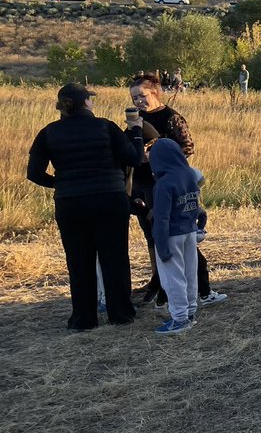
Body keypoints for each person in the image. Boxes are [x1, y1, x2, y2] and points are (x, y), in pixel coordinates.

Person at [26, 83, 142, 330]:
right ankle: (121, 314)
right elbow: (133, 158)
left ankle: (83, 319)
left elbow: (34, 173)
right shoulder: (106, 126)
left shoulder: (49, 132)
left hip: (71, 203)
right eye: (90, 99)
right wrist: (136, 132)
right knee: (114, 257)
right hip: (109, 198)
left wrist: (61, 183)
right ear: (86, 103)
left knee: (79, 261)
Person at [128, 73, 227, 307]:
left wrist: (157, 159)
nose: (137, 102)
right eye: (134, 98)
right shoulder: (136, 119)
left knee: (178, 235)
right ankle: (160, 281)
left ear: (155, 92)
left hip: (165, 185)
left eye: (141, 96)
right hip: (141, 183)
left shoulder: (171, 118)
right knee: (152, 236)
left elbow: (187, 147)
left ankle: (202, 288)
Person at [148, 139, 203, 334]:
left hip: (171, 235)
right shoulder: (190, 174)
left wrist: (161, 246)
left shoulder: (164, 184)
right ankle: (189, 312)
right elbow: (197, 205)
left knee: (173, 278)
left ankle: (179, 318)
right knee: (190, 274)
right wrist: (199, 226)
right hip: (189, 231)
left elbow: (162, 217)